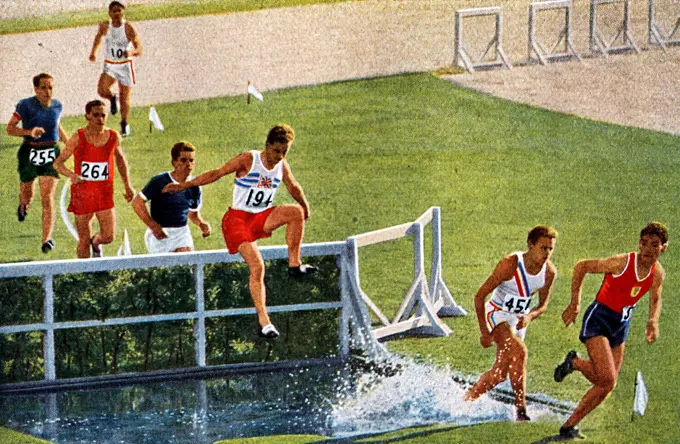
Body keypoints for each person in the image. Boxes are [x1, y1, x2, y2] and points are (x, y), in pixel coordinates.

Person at [163, 124, 317, 339]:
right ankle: (264, 322)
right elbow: (217, 173)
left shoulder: (282, 165)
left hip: (260, 217)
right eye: (275, 151)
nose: (279, 157)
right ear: (267, 146)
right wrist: (183, 186)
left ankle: (294, 265)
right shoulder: (249, 159)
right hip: (237, 221)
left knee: (295, 212)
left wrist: (305, 207)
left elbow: (293, 186)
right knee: (257, 265)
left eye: (284, 152)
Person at [554, 222, 668, 440]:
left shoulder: (657, 273)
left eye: (655, 245)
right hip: (599, 320)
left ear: (663, 248)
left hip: (621, 326)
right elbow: (581, 267)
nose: (648, 250)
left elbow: (655, 298)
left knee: (607, 384)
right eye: (644, 244)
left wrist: (653, 320)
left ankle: (570, 424)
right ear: (639, 244)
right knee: (607, 379)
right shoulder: (622, 262)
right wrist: (575, 304)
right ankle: (575, 365)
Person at [464, 226, 558, 421]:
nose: (547, 253)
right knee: (520, 351)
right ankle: (521, 409)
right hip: (497, 314)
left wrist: (530, 316)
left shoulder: (549, 272)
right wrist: (484, 332)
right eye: (543, 248)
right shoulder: (511, 264)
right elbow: (480, 296)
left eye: (550, 249)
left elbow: (542, 306)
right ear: (530, 245)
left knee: (499, 374)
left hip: (518, 321)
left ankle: (466, 400)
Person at [53, 100, 135, 258]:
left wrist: (128, 185)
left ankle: (96, 242)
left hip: (103, 194)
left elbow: (120, 161)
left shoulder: (113, 136)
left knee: (109, 236)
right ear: (87, 116)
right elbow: (58, 164)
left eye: (103, 115)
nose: (100, 119)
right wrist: (72, 175)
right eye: (96, 115)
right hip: (82, 194)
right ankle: (85, 272)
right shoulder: (78, 137)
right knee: (83, 240)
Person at [6, 73, 69, 254]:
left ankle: (46, 239)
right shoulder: (25, 105)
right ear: (36, 89)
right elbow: (10, 129)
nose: (48, 92)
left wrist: (69, 145)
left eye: (50, 87)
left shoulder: (57, 105)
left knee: (47, 197)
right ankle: (23, 205)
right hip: (29, 152)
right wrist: (29, 131)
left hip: (51, 153)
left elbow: (57, 125)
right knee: (28, 195)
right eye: (43, 88)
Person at [132, 141, 211, 253]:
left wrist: (201, 223)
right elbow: (137, 203)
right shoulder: (160, 181)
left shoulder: (194, 187)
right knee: (165, 269)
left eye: (191, 160)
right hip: (160, 234)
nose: (188, 164)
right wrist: (153, 226)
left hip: (182, 233)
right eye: (183, 160)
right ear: (174, 163)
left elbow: (192, 213)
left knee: (186, 263)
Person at [88, 1, 142, 137]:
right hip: (111, 64)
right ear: (109, 13)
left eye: (119, 10)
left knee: (125, 99)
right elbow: (98, 37)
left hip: (124, 65)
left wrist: (131, 53)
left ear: (123, 12)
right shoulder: (105, 26)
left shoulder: (128, 27)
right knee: (101, 90)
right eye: (114, 11)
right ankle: (112, 98)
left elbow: (139, 48)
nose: (117, 13)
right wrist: (93, 52)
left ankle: (124, 124)